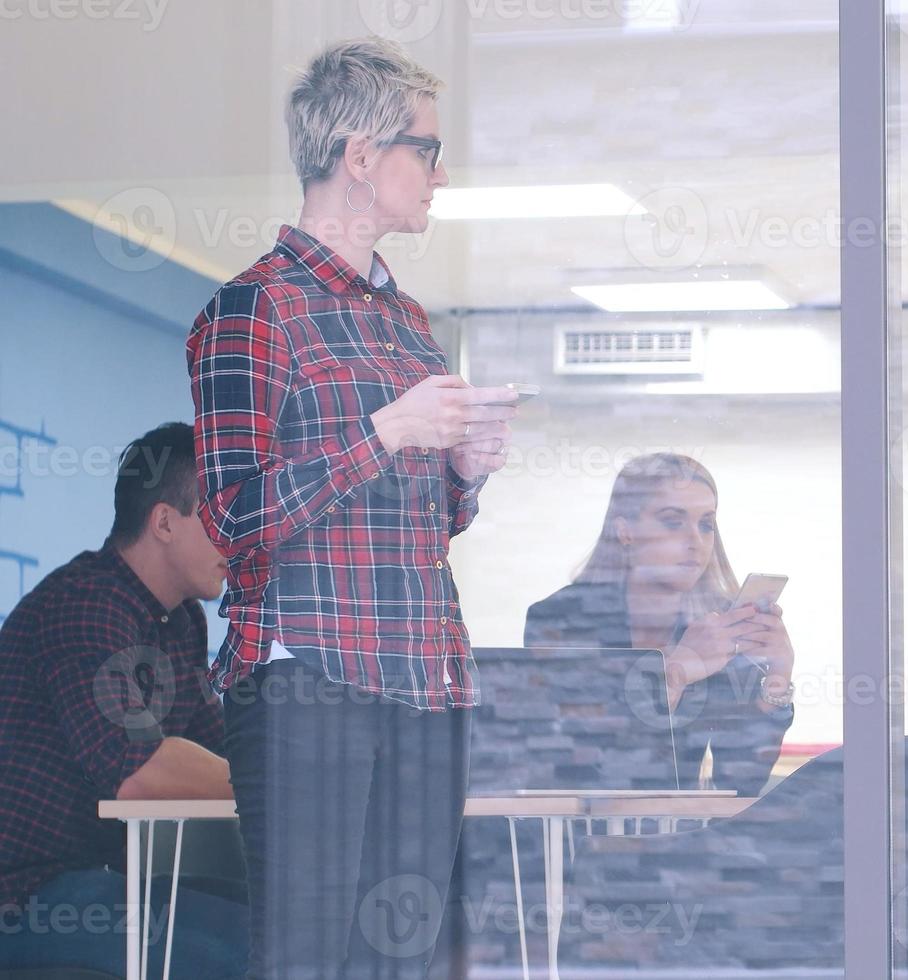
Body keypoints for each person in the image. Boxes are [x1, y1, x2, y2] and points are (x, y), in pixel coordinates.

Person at [188, 37, 522, 977]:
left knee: (405, 960)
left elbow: (428, 526)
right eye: (426, 148)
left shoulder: (409, 322)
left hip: (426, 678)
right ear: (361, 158)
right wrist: (382, 433)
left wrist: (464, 471)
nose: (440, 172)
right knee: (310, 960)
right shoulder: (253, 310)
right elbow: (233, 521)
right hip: (308, 680)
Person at [0, 422, 245, 977]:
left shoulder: (179, 621)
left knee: (297, 929)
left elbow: (214, 753)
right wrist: (269, 783)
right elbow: (137, 768)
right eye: (225, 514)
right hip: (29, 895)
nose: (241, 535)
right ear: (164, 521)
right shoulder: (85, 604)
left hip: (112, 876)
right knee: (251, 956)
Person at [524, 452, 795, 794]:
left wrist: (777, 679)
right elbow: (579, 766)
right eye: (672, 521)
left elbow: (740, 780)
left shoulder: (715, 625)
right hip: (574, 836)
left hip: (678, 836)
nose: (695, 541)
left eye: (706, 524)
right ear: (625, 531)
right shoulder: (561, 618)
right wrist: (674, 673)